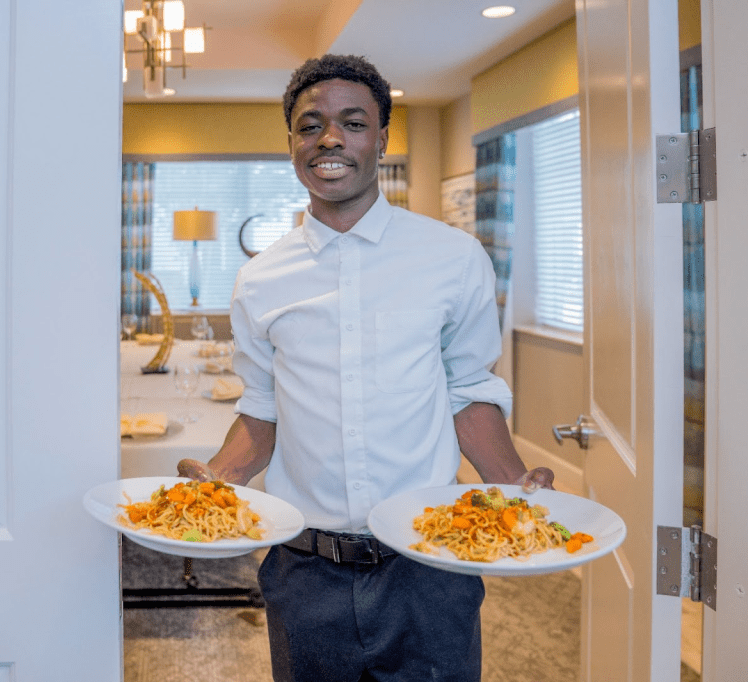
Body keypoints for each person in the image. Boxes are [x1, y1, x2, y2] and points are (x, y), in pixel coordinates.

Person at [178, 53, 554, 682]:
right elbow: (263, 407)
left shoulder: (453, 258)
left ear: (382, 137)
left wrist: (518, 486)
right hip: (303, 572)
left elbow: (468, 389)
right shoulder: (259, 280)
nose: (330, 138)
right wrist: (215, 481)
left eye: (353, 122)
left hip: (429, 566)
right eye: (310, 124)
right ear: (292, 143)